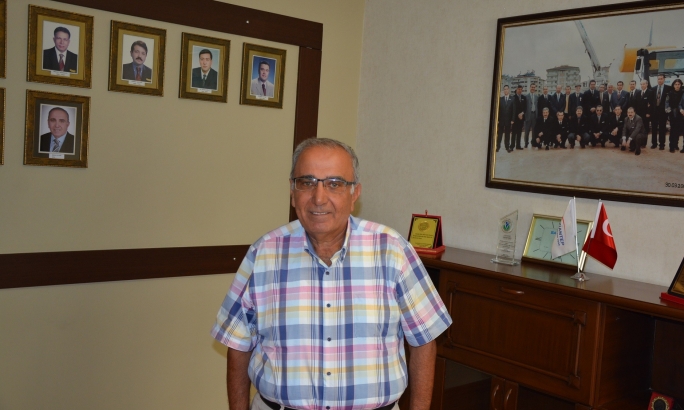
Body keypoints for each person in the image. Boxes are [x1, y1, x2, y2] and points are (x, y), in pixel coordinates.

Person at [211, 138, 452, 410]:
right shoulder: (263, 253)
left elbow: (424, 341)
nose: (319, 198)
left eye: (334, 184)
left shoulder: (393, 250)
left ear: (355, 193)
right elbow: (238, 345)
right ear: (292, 191)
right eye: (306, 182)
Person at [665, 79, 684, 153]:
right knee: (673, 130)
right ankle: (671, 146)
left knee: (678, 130)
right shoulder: (670, 93)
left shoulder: (683, 93)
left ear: (681, 85)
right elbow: (667, 103)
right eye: (676, 84)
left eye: (678, 84)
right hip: (672, 113)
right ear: (673, 85)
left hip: (680, 113)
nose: (677, 86)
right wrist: (669, 111)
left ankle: (676, 144)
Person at [650, 74, 669, 150]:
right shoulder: (653, 89)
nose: (660, 80)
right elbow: (651, 101)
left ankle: (662, 144)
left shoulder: (668, 88)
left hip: (663, 112)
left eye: (661, 79)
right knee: (654, 128)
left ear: (664, 79)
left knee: (662, 128)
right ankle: (654, 143)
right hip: (654, 112)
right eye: (658, 79)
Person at [497, 85, 515, 152]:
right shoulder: (500, 99)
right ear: (503, 90)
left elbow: (514, 110)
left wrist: (513, 119)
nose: (506, 90)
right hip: (501, 120)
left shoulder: (512, 99)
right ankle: (497, 147)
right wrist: (498, 120)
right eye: (504, 89)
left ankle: (507, 147)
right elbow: (498, 110)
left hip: (508, 120)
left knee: (507, 134)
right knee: (499, 134)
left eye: (507, 89)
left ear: (509, 90)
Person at [523, 83, 539, 149]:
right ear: (530, 88)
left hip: (534, 115)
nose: (533, 88)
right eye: (532, 87)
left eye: (534, 87)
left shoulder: (537, 97)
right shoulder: (526, 97)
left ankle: (533, 143)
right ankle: (526, 143)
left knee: (534, 131)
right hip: (528, 115)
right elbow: (524, 107)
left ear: (535, 88)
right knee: (526, 131)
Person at [511, 85, 526, 150]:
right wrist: (518, 114)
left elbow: (525, 107)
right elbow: (513, 108)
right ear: (516, 90)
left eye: (521, 89)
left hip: (521, 118)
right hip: (515, 118)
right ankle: (512, 146)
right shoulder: (513, 98)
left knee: (519, 132)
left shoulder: (524, 97)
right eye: (519, 89)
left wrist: (522, 114)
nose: (520, 90)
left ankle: (518, 145)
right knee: (514, 132)